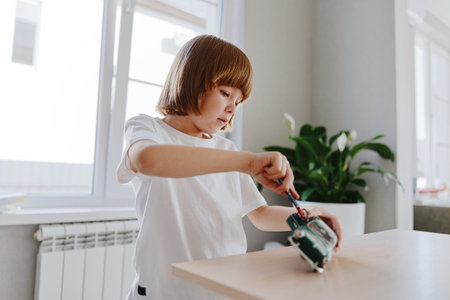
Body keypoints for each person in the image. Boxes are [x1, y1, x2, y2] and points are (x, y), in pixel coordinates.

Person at [117, 34, 342, 300]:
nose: (231, 108)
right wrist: (247, 163)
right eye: (225, 93)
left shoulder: (228, 151)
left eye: (238, 101)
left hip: (223, 289)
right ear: (191, 80)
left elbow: (260, 214)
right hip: (162, 290)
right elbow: (148, 160)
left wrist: (309, 213)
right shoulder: (147, 129)